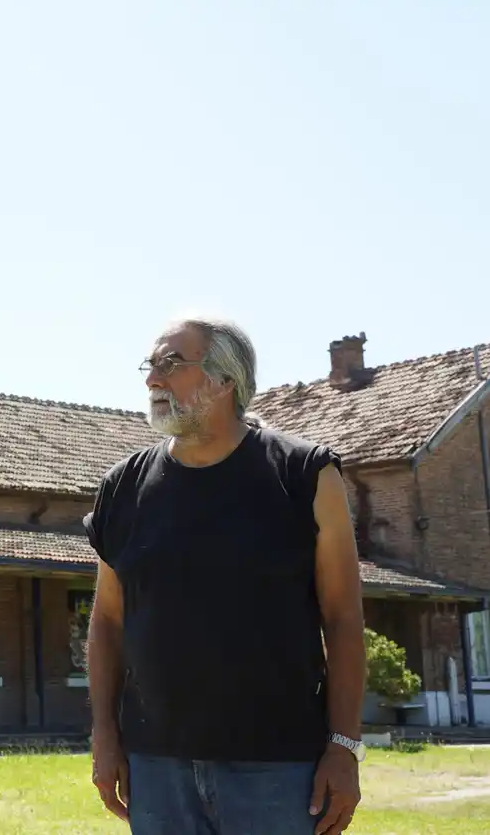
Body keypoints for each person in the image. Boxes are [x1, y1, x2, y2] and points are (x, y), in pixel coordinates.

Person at [84, 316, 366, 835]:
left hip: (280, 770)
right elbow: (107, 622)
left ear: (225, 379)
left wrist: (344, 745)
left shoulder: (303, 476)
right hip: (157, 770)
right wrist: (104, 734)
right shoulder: (121, 489)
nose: (152, 379)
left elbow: (344, 619)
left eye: (172, 364)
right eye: (151, 365)